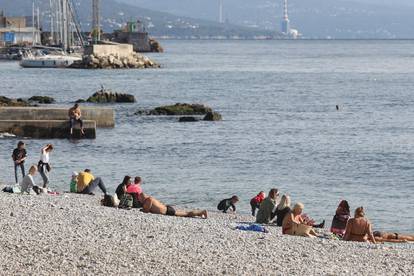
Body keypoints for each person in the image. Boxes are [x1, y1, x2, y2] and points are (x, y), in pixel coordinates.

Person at [138, 193, 207, 219]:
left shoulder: (148, 200)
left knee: (187, 214)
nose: (139, 200)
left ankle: (201, 212)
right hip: (167, 209)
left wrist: (142, 209)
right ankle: (199, 213)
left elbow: (146, 211)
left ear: (142, 198)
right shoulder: (150, 198)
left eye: (139, 199)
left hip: (168, 211)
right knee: (186, 213)